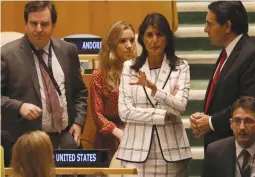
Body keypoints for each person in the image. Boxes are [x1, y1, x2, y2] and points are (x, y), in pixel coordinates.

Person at [1, 1, 88, 163]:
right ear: (25, 24)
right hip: (25, 142)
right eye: (34, 23)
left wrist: (78, 122)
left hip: (64, 140)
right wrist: (19, 106)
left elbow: (80, 92)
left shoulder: (68, 51)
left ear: (53, 25)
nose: (39, 29)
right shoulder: (7, 55)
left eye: (44, 24)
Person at [117, 12, 192, 176]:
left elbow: (180, 107)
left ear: (168, 38)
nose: (154, 40)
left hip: (172, 153)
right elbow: (124, 112)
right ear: (142, 38)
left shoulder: (181, 67)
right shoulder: (130, 67)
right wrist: (161, 115)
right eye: (149, 35)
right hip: (135, 152)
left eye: (159, 34)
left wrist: (156, 90)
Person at [190, 1, 255, 150]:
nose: (205, 29)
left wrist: (211, 122)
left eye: (210, 24)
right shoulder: (228, 52)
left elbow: (250, 104)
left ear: (227, 26)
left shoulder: (252, 54)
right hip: (224, 148)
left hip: (245, 148)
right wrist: (205, 118)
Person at [90, 21, 136, 166]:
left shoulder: (141, 71)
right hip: (111, 135)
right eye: (123, 41)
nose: (129, 45)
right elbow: (97, 115)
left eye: (132, 40)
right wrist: (117, 131)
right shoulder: (99, 75)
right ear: (112, 46)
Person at [202, 96, 255, 177]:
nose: (242, 127)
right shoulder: (214, 152)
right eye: (237, 121)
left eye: (248, 121)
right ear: (231, 124)